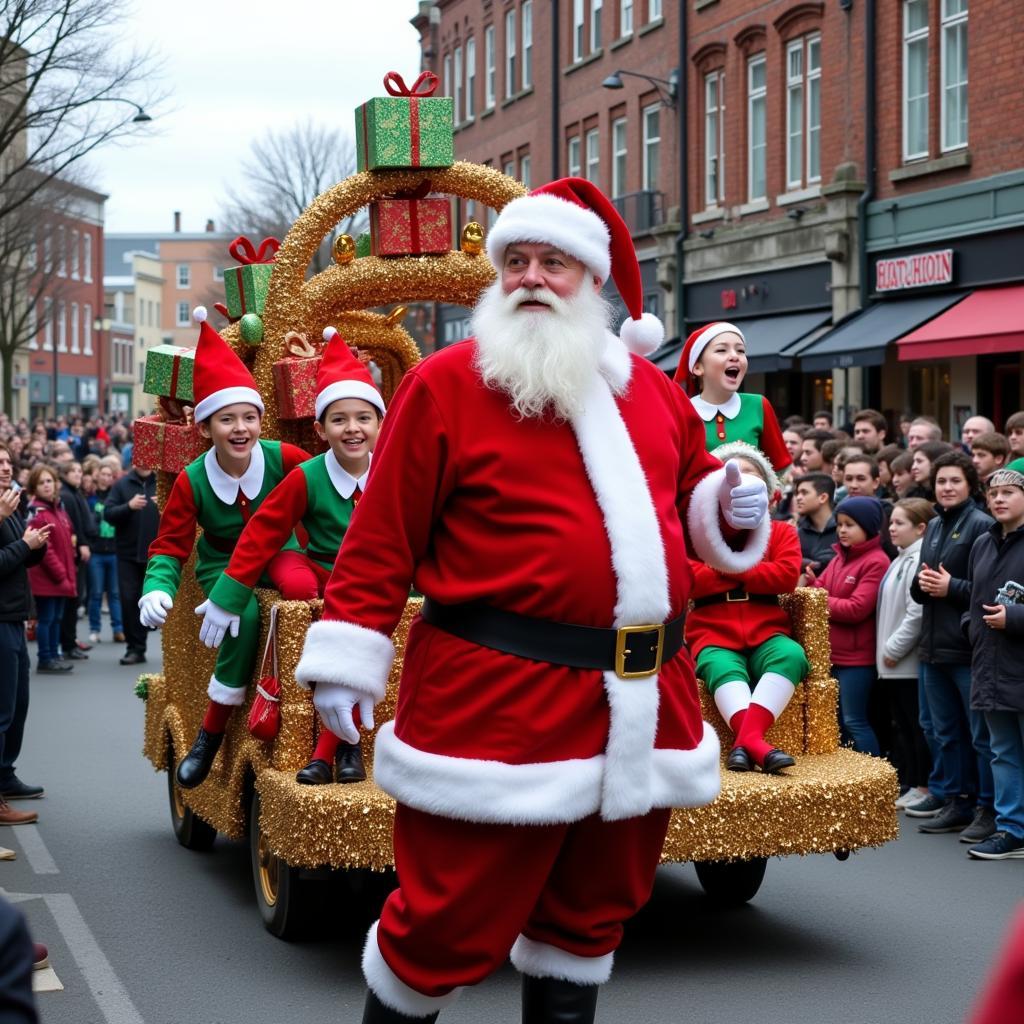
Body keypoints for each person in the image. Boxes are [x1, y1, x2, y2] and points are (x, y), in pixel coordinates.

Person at [294, 177, 770, 1023]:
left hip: (638, 706)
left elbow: (689, 491)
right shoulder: (445, 386)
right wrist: (347, 659)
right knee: (443, 923)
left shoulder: (650, 392)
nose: (531, 279)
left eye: (554, 262)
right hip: (495, 702)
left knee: (589, 924)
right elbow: (382, 539)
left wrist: (726, 506)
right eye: (515, 261)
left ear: (591, 283)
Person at [200, 333, 386, 786]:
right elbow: (262, 534)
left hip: (386, 585)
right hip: (331, 583)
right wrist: (227, 595)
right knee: (340, 629)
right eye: (339, 419)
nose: (353, 428)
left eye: (364, 417)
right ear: (321, 430)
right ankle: (338, 752)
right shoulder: (307, 475)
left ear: (382, 423)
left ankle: (333, 752)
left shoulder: (395, 469)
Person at [140, 308, 311, 790]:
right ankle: (210, 735)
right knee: (245, 616)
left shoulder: (285, 459)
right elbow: (170, 546)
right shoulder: (193, 482)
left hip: (282, 556)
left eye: (250, 417)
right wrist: (156, 587)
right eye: (228, 419)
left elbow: (325, 487)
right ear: (204, 428)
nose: (241, 428)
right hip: (220, 568)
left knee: (303, 592)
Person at [687, 443, 807, 774]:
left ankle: (744, 744)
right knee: (720, 667)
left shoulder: (782, 532)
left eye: (751, 475)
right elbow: (692, 580)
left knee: (791, 655)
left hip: (767, 627)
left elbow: (784, 576)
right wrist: (750, 571)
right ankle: (756, 744)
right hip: (713, 629)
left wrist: (724, 567)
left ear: (768, 492)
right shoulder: (696, 535)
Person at [908, 451, 996, 842]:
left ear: (970, 485)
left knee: (980, 738)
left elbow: (990, 593)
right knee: (944, 731)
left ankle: (987, 807)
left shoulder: (983, 525)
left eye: (954, 481)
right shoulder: (935, 525)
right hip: (933, 645)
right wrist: (923, 585)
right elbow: (922, 584)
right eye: (941, 481)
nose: (946, 487)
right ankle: (955, 799)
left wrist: (951, 588)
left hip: (965, 648)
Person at [962, 465, 1024, 860]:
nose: (998, 499)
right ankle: (1011, 830)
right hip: (990, 665)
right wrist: (972, 626)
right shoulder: (983, 543)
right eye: (993, 493)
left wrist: (1014, 619)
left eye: (1009, 492)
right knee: (1002, 751)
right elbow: (973, 598)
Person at [809, 496, 890, 756]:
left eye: (850, 525)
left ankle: (875, 783)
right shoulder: (839, 558)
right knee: (839, 725)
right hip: (834, 656)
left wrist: (819, 596)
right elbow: (819, 588)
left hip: (857, 660)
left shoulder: (876, 561)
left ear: (867, 527)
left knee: (855, 722)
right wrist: (818, 591)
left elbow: (856, 608)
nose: (842, 530)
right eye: (840, 524)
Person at [876, 498, 935, 809]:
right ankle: (912, 782)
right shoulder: (900, 558)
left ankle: (923, 785)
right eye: (892, 522)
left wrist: (893, 649)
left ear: (921, 528)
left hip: (904, 663)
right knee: (904, 726)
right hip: (892, 664)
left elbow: (915, 613)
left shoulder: (915, 561)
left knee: (916, 726)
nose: (892, 528)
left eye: (900, 523)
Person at [0, 443, 49, 813]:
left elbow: (19, 556)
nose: (4, 468)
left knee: (18, 705)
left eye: (6, 461)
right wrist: (23, 544)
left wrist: (37, 545)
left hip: (14, 613)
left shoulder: (11, 502)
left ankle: (5, 775)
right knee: (2, 710)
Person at [672, 321, 791, 472]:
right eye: (722, 350)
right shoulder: (680, 412)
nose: (735, 356)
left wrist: (766, 493)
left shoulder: (758, 405)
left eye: (741, 351)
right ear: (697, 367)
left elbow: (780, 469)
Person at [104, 464, 158, 665]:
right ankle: (135, 648)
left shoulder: (162, 482)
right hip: (127, 554)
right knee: (128, 601)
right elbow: (108, 513)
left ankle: (164, 649)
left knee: (153, 599)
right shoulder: (121, 485)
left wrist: (165, 505)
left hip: (156, 554)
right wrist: (128, 506)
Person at [25, 465, 76, 675]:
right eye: (41, 482)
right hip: (48, 578)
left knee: (56, 618)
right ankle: (45, 658)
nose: (47, 485)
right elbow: (46, 551)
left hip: (61, 575)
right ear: (34, 488)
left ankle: (54, 655)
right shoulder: (38, 513)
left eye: (49, 481)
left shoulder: (58, 509)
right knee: (47, 619)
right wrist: (61, 576)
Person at [57, 461, 93, 662]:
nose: (78, 474)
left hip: (80, 547)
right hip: (76, 550)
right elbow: (74, 525)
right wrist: (82, 544)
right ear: (65, 473)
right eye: (74, 471)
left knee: (76, 598)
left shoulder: (74, 493)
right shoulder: (67, 496)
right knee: (72, 599)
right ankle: (68, 644)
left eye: (80, 471)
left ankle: (70, 641)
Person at [86, 462, 125, 644]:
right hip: (97, 551)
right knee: (96, 592)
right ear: (98, 476)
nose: (106, 478)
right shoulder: (90, 498)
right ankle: (95, 629)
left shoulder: (116, 496)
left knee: (115, 593)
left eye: (110, 475)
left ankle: (118, 629)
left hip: (115, 550)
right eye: (104, 474)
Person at [794, 472, 838, 577]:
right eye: (798, 493)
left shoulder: (843, 530)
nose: (798, 498)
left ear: (822, 497)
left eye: (804, 493)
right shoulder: (798, 533)